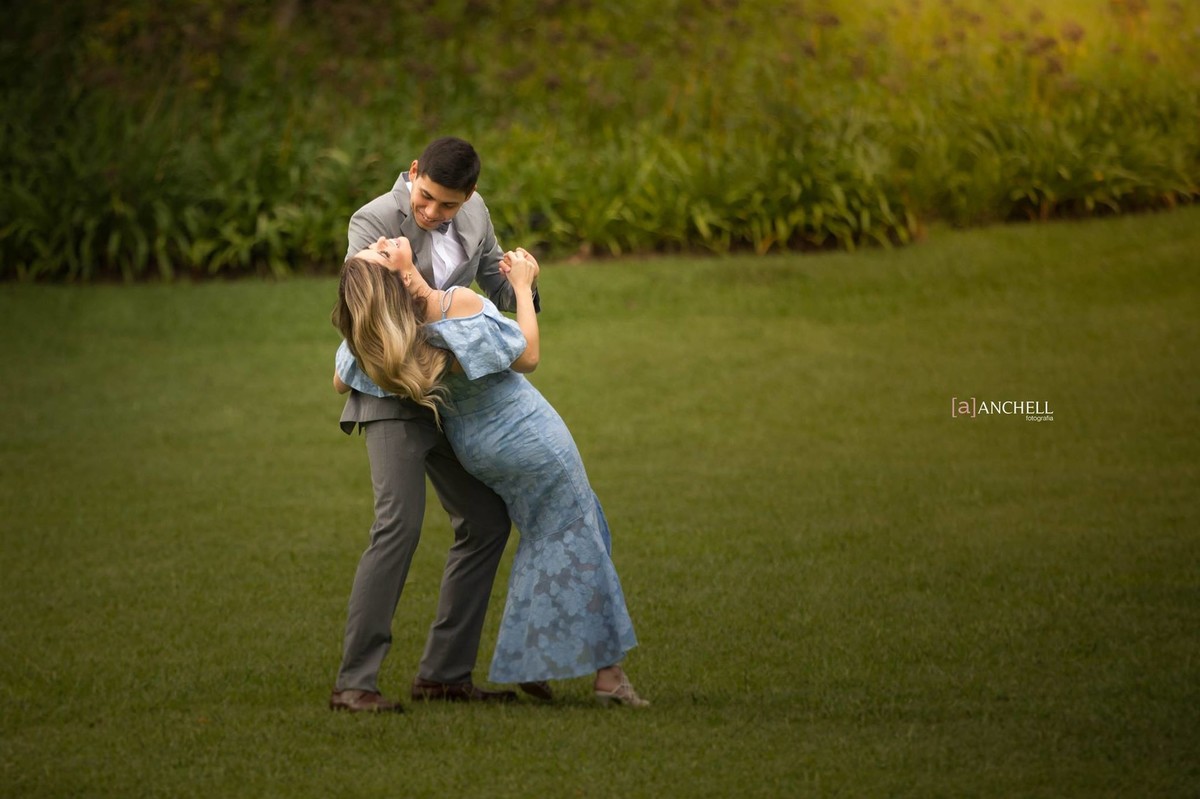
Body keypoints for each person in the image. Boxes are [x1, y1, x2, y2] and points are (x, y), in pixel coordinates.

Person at [333, 236, 648, 707]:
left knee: (547, 534)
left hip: (476, 447)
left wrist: (382, 307)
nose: (380, 240)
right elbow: (528, 354)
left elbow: (341, 380)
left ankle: (533, 659)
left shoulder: (384, 337)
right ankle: (607, 677)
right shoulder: (454, 302)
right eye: (379, 254)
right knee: (580, 533)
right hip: (526, 436)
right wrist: (522, 286)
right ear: (395, 277)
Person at [328, 137, 543, 713]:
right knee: (398, 526)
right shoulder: (372, 219)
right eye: (425, 199)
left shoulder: (475, 214)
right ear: (413, 173)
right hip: (390, 389)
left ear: (468, 195)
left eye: (447, 206)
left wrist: (520, 285)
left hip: (448, 391)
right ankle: (355, 684)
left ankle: (444, 675)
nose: (432, 214)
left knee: (486, 518)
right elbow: (368, 311)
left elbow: (495, 282)